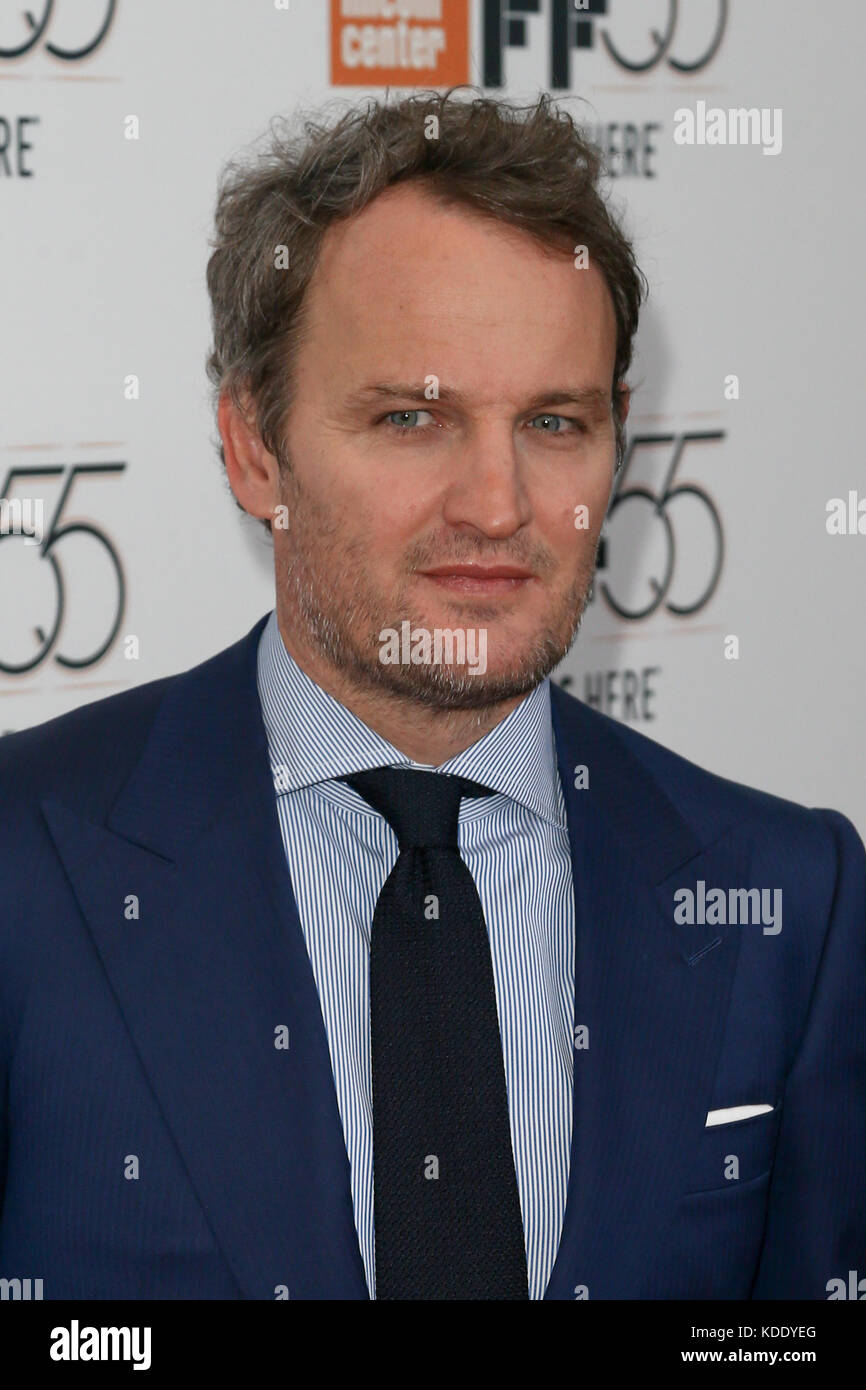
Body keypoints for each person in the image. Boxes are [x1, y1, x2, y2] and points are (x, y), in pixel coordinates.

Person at [0, 89, 863, 1301]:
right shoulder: (26, 863)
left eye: (555, 420)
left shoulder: (788, 898)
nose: (498, 506)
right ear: (255, 449)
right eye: (412, 417)